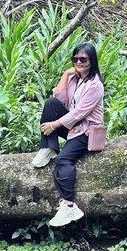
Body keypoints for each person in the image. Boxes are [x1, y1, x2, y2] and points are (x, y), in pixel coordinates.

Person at [33, 41, 105, 227]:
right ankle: (48, 148)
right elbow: (60, 98)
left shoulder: (95, 85)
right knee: (50, 104)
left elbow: (80, 113)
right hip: (74, 128)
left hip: (88, 132)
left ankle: (69, 204)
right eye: (75, 59)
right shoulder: (75, 78)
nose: (79, 62)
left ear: (92, 61)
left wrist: (54, 125)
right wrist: (66, 74)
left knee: (63, 160)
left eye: (83, 59)